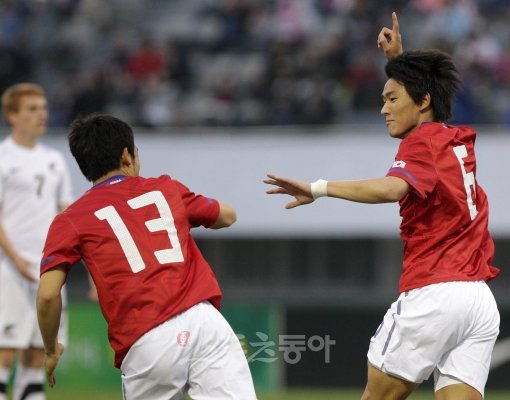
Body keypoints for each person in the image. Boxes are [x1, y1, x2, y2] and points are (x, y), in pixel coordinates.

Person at [265, 12, 500, 400]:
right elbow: (425, 98)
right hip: (477, 301)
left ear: (422, 101)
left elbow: (393, 189)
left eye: (391, 99)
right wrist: (398, 61)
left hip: (435, 294)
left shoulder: (421, 142)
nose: (383, 109)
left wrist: (318, 188)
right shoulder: (454, 138)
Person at [36, 114, 257, 399]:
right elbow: (228, 216)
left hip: (147, 338)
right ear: (126, 155)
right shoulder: (165, 188)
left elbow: (47, 295)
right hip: (205, 323)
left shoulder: (70, 219)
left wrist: (51, 348)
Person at [0, 83, 74, 400]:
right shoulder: (3, 158)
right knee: (5, 353)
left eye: (43, 108)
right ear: (12, 115)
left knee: (37, 353)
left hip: (48, 270)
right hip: (9, 270)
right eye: (32, 109)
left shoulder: (55, 160)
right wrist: (15, 258)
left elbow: (67, 214)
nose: (41, 114)